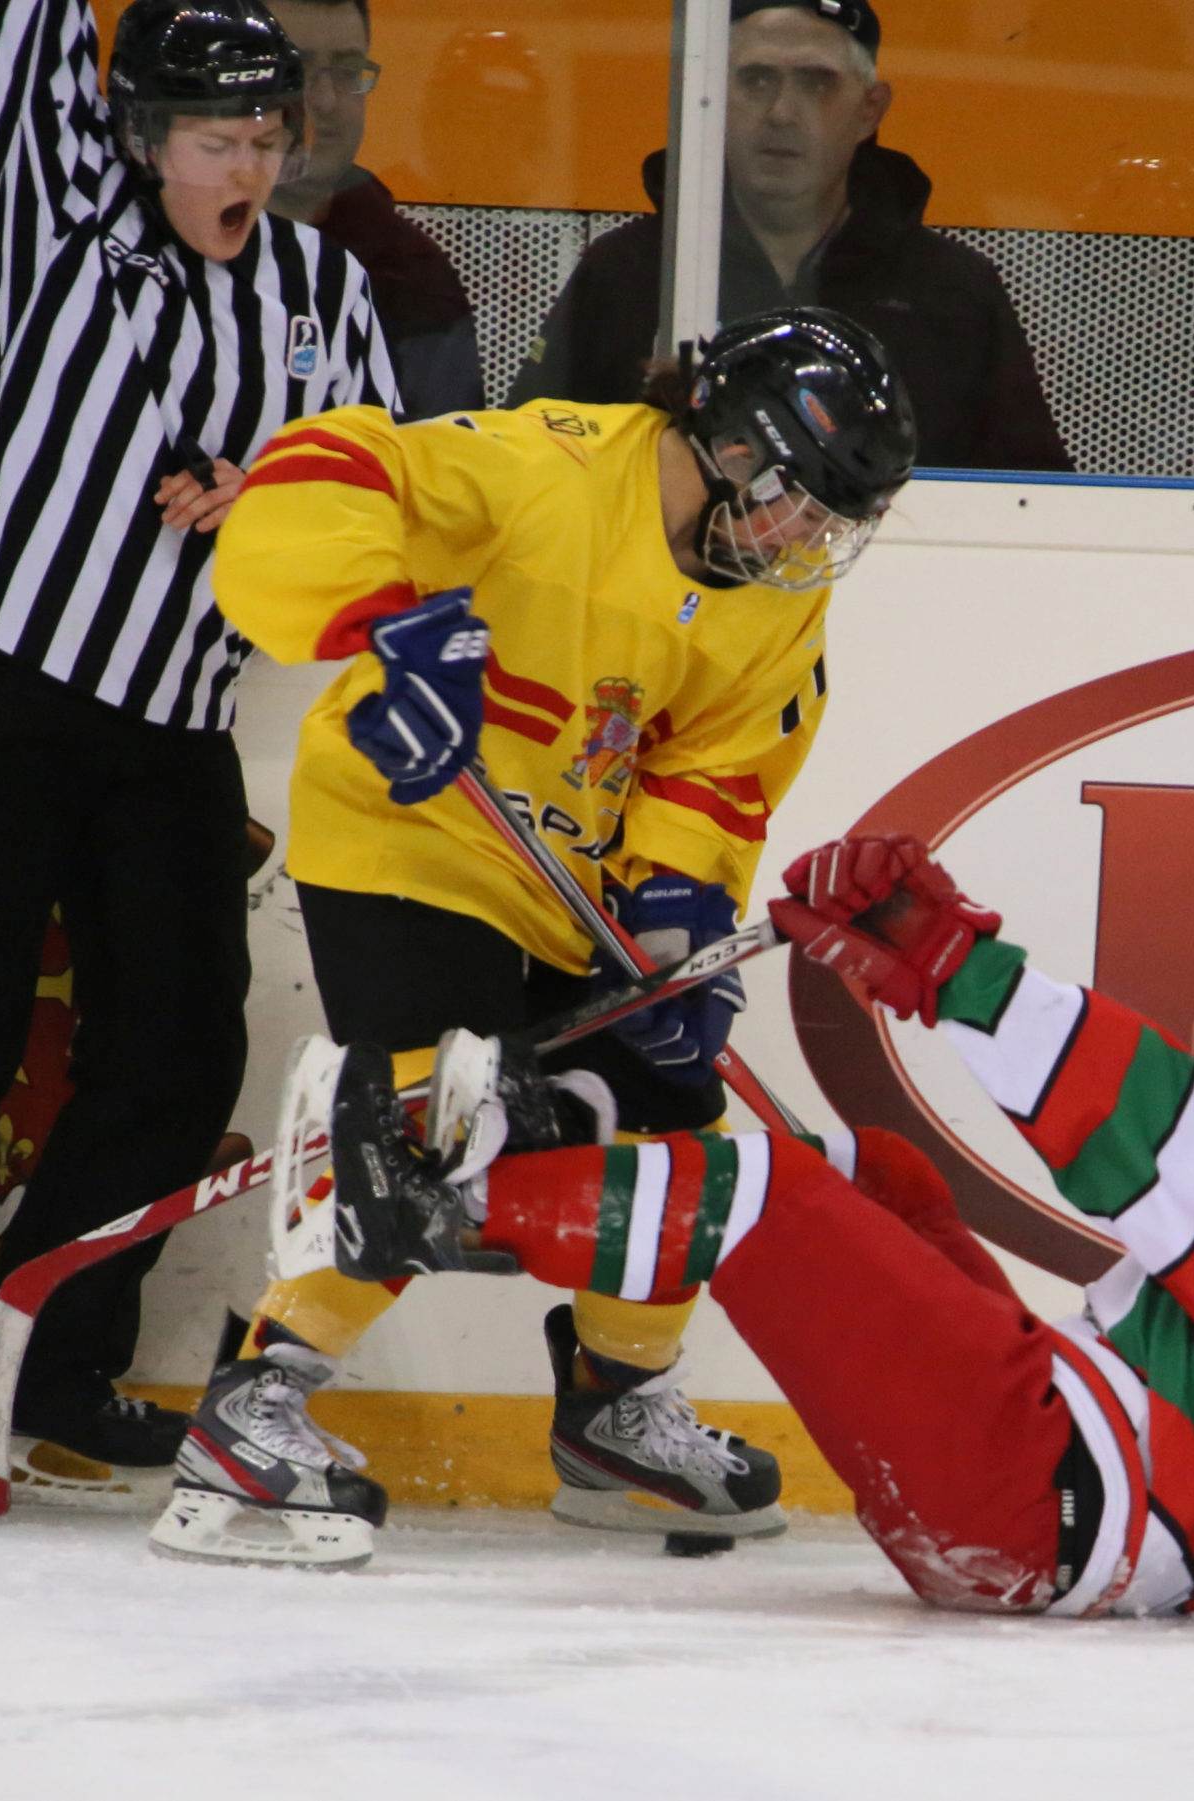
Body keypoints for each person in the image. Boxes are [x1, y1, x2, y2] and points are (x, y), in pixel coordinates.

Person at [0, 0, 399, 1504]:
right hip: (3, 692)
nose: (248, 164)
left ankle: (42, 1363)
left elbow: (377, 491)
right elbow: (23, 34)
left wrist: (272, 496)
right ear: (141, 141)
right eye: (214, 139)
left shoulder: (325, 288)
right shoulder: (67, 221)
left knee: (181, 1050)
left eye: (266, 136)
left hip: (176, 717)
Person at [147, 307, 917, 1568]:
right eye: (803, 503)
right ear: (730, 447)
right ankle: (254, 1404)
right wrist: (381, 630)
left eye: (840, 520)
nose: (812, 540)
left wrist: (676, 910)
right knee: (434, 1111)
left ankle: (615, 1406)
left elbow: (721, 760)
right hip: (410, 828)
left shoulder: (765, 590)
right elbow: (323, 469)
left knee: (672, 1112)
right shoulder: (546, 466)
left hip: (573, 871)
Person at [311, 833, 1194, 1612]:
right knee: (883, 1180)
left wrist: (946, 961)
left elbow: (1140, 1113)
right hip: (1075, 1522)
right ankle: (588, 1209)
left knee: (774, 1198)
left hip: (1037, 1491)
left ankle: (419, 1205)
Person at [506, 0, 1070, 474]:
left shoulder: (951, 292)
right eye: (755, 80)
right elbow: (526, 457)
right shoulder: (628, 272)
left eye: (817, 83)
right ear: (710, 99)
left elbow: (1030, 497)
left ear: (870, 110)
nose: (781, 112)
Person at [265, 0, 486, 417]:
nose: (326, 100)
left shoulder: (412, 274)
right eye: (299, 70)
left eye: (347, 72)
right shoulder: (167, 246)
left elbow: (444, 464)